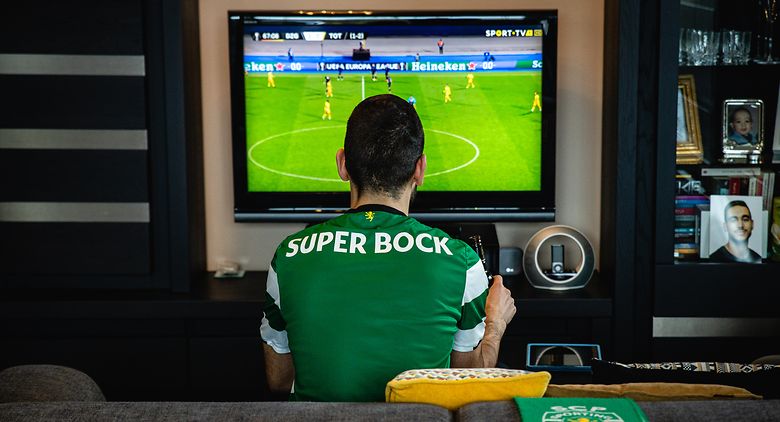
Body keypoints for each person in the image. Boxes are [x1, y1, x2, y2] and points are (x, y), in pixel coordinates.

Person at [260, 94, 516, 402]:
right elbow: (469, 383)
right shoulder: (461, 262)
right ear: (420, 169)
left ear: (342, 164)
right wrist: (495, 323)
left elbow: (279, 381)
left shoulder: (288, 257)